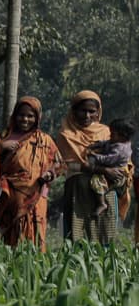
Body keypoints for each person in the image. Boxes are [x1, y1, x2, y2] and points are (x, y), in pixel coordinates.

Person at [55, 91, 125, 243]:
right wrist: (102, 169)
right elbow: (69, 164)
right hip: (77, 190)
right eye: (83, 111)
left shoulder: (107, 132)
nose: (87, 116)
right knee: (77, 234)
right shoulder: (65, 134)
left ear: (98, 112)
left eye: (91, 111)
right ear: (74, 111)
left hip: (106, 190)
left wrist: (119, 171)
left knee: (105, 235)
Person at [0, 96, 61, 248]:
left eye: (30, 116)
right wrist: (2, 147)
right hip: (11, 196)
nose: (25, 119)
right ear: (15, 115)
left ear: (37, 117)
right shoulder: (3, 137)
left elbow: (58, 164)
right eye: (21, 115)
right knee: (10, 237)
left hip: (36, 196)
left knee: (35, 235)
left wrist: (49, 174)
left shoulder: (45, 140)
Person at [82, 118, 133, 217]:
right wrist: (95, 145)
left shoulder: (121, 150)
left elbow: (108, 159)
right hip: (108, 169)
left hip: (116, 175)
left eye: (113, 134)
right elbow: (105, 143)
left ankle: (102, 203)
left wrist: (94, 156)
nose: (110, 136)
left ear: (122, 136)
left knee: (96, 181)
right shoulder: (115, 142)